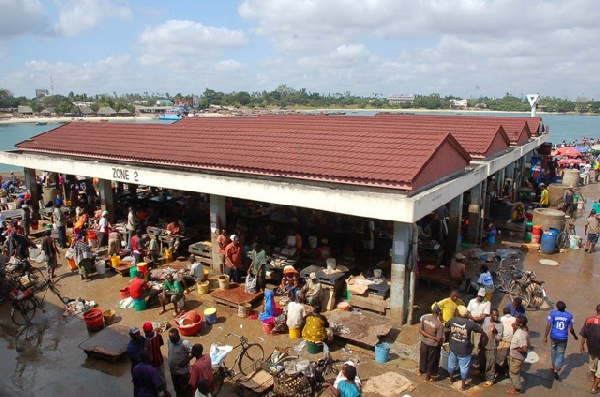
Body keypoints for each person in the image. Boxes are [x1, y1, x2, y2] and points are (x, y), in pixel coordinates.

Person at [446, 305, 482, 391]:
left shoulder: (452, 320)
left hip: (453, 347)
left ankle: (451, 379)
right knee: (464, 368)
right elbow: (480, 330)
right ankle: (463, 386)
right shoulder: (470, 324)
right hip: (464, 350)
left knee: (451, 364)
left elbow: (446, 326)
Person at [543, 300, 578, 380]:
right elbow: (571, 329)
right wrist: (575, 336)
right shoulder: (569, 315)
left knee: (553, 350)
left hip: (554, 336)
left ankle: (553, 364)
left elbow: (549, 325)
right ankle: (557, 368)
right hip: (563, 338)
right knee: (561, 353)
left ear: (557, 307)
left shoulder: (553, 314)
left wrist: (545, 336)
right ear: (564, 308)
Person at [418, 305, 444, 382]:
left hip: (424, 342)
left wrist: (429, 336)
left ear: (432, 311)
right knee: (431, 360)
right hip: (433, 345)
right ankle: (427, 377)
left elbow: (421, 330)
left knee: (423, 357)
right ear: (439, 313)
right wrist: (434, 338)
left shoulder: (425, 318)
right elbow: (438, 339)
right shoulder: (439, 324)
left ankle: (421, 370)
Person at [479, 308, 503, 387]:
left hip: (491, 347)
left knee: (490, 363)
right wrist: (480, 341)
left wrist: (494, 332)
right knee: (482, 360)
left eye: (497, 315)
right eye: (494, 315)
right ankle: (481, 372)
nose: (496, 317)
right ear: (490, 315)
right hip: (483, 344)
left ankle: (490, 379)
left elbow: (499, 338)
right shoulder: (486, 319)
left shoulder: (500, 325)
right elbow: (482, 330)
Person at [580, 303, 600, 394]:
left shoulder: (589, 320)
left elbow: (584, 335)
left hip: (591, 347)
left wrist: (582, 345)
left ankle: (592, 376)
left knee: (593, 362)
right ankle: (594, 387)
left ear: (596, 310)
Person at [507, 316, 530, 395]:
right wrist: (514, 328)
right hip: (516, 356)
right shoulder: (523, 329)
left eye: (516, 321)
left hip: (516, 357)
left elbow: (524, 348)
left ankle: (517, 389)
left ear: (520, 323)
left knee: (514, 373)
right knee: (515, 371)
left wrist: (516, 349)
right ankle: (515, 387)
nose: (515, 321)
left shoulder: (522, 335)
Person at [167, 328, 193, 397]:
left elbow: (194, 351)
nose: (171, 339)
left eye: (172, 338)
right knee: (177, 389)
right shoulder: (169, 341)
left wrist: (187, 360)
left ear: (177, 336)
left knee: (185, 390)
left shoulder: (184, 343)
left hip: (182, 373)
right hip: (173, 372)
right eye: (170, 337)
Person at [143, 322, 166, 387]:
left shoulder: (158, 336)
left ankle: (164, 390)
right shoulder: (143, 339)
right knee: (151, 380)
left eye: (149, 331)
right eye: (146, 332)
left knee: (161, 378)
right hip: (149, 364)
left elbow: (161, 344)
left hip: (159, 361)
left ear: (152, 330)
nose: (148, 334)